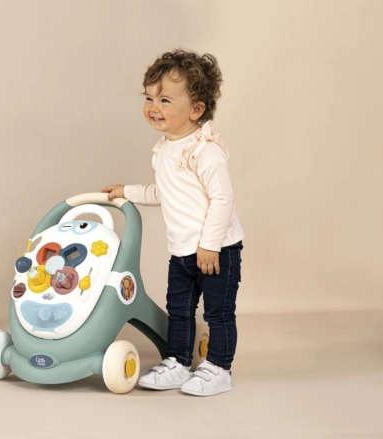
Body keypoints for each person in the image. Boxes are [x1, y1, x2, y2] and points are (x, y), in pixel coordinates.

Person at [102, 49, 244, 396]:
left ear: (196, 110)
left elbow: (222, 200)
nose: (153, 107)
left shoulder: (205, 150)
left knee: (218, 313)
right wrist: (127, 191)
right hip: (181, 250)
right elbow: (164, 191)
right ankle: (178, 362)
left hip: (217, 250)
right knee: (179, 310)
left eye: (165, 100)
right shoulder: (165, 148)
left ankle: (219, 368)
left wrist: (209, 245)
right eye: (149, 98)